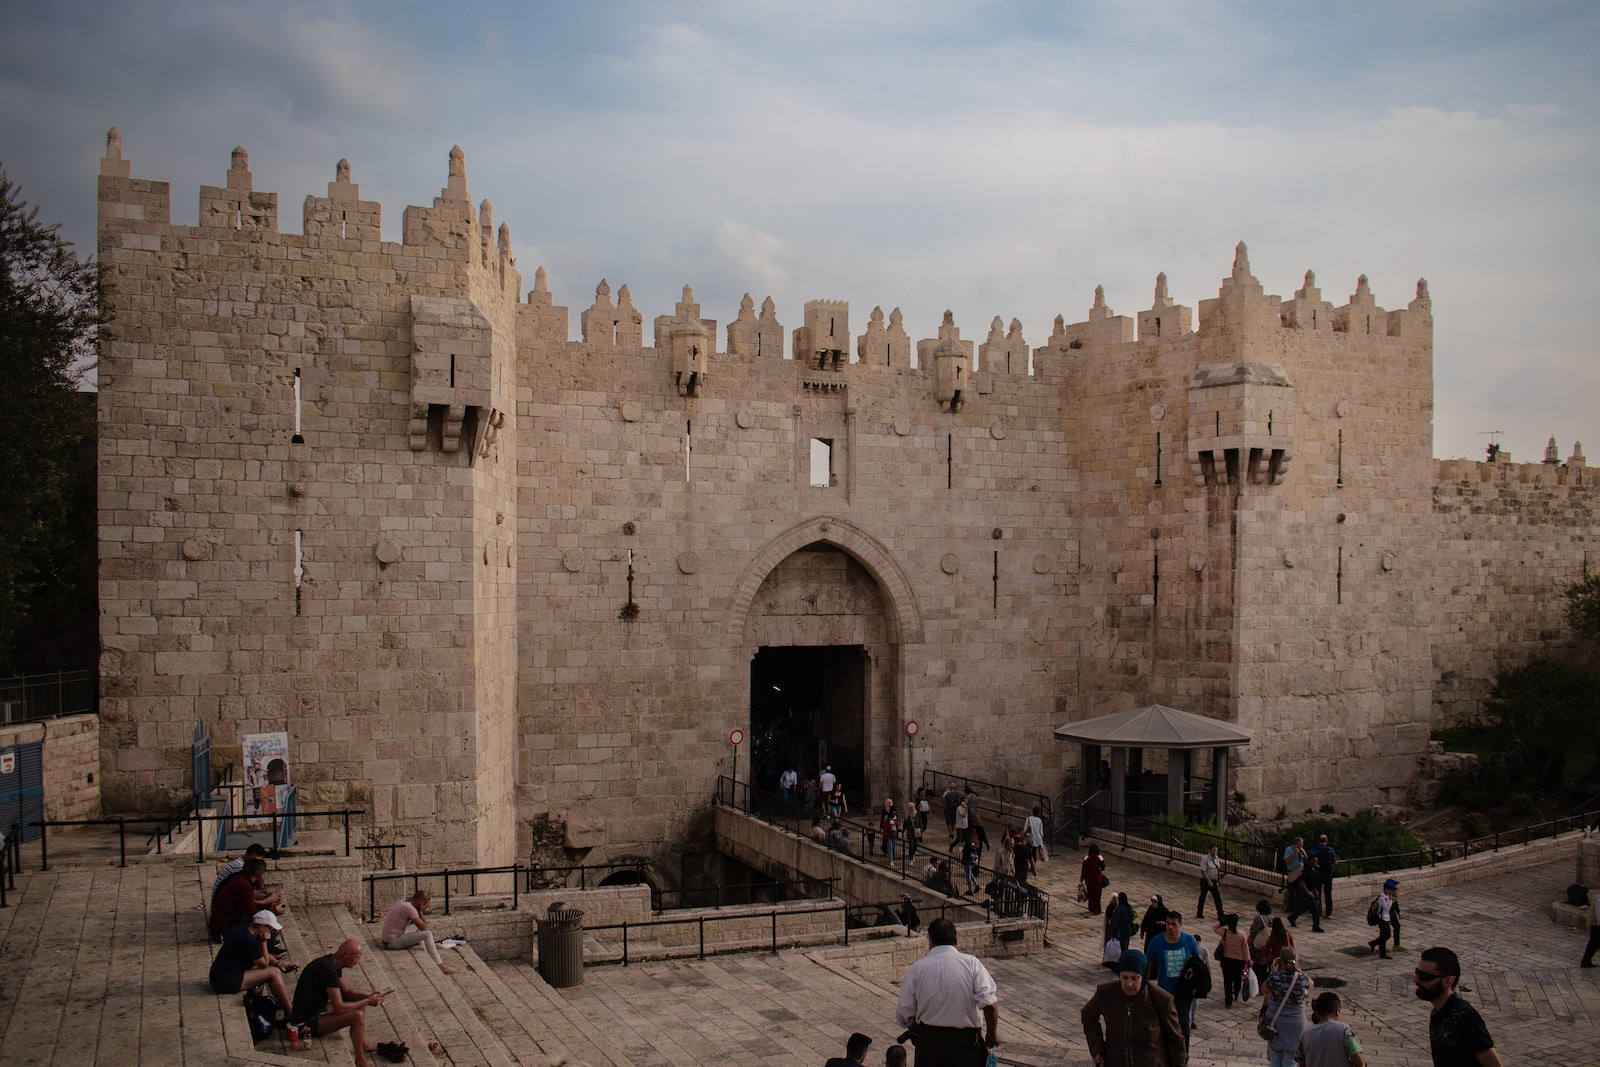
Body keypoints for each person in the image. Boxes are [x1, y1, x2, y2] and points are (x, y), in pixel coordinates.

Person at [894, 918, 999, 1066]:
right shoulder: (972, 964)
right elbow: (989, 1003)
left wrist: (918, 1029)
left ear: (930, 940)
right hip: (966, 1045)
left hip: (930, 1045)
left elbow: (904, 1011)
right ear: (955, 939)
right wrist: (992, 1033)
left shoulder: (918, 968)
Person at [1080, 949, 1187, 1067]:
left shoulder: (1161, 1000)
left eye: (1134, 978)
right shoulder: (1106, 994)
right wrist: (1097, 1048)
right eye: (1124, 978)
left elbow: (1176, 1041)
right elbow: (1087, 1016)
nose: (1129, 984)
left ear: (1143, 976)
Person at [290, 938, 386, 1067]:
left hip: (318, 1009)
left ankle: (362, 1043)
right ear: (346, 955)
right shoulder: (328, 970)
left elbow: (346, 992)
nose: (358, 961)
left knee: (359, 1002)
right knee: (357, 1016)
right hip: (304, 1022)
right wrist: (368, 1001)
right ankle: (360, 1060)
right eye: (356, 957)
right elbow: (339, 1007)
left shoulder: (333, 963)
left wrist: (369, 997)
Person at [1414, 946, 1503, 1067]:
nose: (1415, 980)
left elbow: (1494, 1065)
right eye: (1417, 973)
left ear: (1448, 981)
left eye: (1424, 976)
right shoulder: (1438, 1013)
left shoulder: (1464, 1015)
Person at [209, 909, 292, 1012]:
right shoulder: (248, 940)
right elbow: (264, 965)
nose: (271, 932)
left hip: (221, 976)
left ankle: (282, 1003)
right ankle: (290, 1010)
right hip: (225, 981)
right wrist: (264, 943)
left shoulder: (246, 933)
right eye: (270, 929)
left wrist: (278, 963)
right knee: (273, 973)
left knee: (273, 969)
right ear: (262, 926)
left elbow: (260, 955)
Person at [1146, 912, 1200, 1045]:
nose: (1170, 927)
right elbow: (1149, 965)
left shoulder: (1189, 940)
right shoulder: (1156, 942)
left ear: (1180, 925)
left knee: (1183, 1024)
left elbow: (1198, 961)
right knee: (1163, 1024)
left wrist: (1193, 973)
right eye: (1168, 923)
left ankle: (1183, 1055)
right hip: (1164, 991)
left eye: (1174, 924)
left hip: (1183, 991)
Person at [1261, 946, 1312, 1067]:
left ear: (1281, 962)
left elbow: (1263, 989)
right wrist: (1298, 970)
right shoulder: (1301, 979)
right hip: (1296, 1023)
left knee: (1275, 1060)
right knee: (1291, 1060)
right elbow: (1311, 984)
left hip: (1275, 1022)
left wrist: (1272, 972)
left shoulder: (1275, 978)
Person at [381, 889, 450, 970]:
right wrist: (420, 911)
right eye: (424, 904)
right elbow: (424, 927)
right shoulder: (410, 909)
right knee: (428, 934)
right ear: (421, 903)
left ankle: (421, 943)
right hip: (393, 942)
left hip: (388, 937)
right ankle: (439, 963)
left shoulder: (402, 902)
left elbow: (420, 925)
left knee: (419, 928)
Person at [210, 857, 277, 941]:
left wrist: (268, 903)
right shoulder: (243, 885)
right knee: (267, 924)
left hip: (223, 925)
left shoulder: (241, 879)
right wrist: (273, 909)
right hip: (224, 930)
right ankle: (267, 950)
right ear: (260, 874)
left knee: (267, 922)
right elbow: (252, 914)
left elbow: (248, 904)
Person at [1299, 991, 1365, 1067]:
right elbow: (1359, 1062)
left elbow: (1301, 1064)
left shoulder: (1305, 1034)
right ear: (1338, 1011)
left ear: (1316, 1013)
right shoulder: (1344, 1030)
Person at [1213, 913, 1250, 1008]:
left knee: (1227, 981)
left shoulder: (1224, 932)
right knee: (1237, 979)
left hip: (1227, 960)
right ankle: (1236, 993)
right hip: (1239, 961)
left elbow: (1215, 928)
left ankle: (1228, 1001)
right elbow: (1245, 948)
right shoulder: (1241, 934)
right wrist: (1248, 960)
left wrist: (1222, 924)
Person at [1286, 856, 1324, 932]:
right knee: (1315, 909)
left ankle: (1292, 917)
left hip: (1312, 891)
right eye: (1315, 861)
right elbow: (1301, 883)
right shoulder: (1306, 872)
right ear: (1310, 862)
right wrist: (1307, 892)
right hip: (1307, 892)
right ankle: (1316, 926)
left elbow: (1313, 882)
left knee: (1304, 907)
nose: (1316, 863)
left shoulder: (1314, 870)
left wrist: (1315, 890)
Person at [1368, 879, 1398, 959]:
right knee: (1385, 935)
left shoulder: (1386, 897)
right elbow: (1387, 908)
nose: (1392, 892)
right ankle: (1382, 953)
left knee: (1386, 935)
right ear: (1387, 890)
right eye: (1391, 890)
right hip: (1382, 919)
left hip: (1386, 918)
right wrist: (1390, 900)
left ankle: (1373, 944)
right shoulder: (1382, 898)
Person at [1309, 834, 1339, 916]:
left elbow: (1310, 857)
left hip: (1318, 873)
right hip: (1328, 873)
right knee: (1328, 893)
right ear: (1326, 841)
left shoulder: (1314, 850)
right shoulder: (1330, 850)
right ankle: (1328, 912)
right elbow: (1334, 861)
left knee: (1317, 893)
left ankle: (1318, 911)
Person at [1196, 845, 1223, 920]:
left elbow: (1217, 869)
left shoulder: (1217, 858)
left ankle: (1220, 913)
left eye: (1216, 851)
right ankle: (1199, 913)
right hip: (1206, 881)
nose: (1215, 852)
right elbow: (1203, 871)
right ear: (1210, 851)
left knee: (1217, 898)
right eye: (1213, 851)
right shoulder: (1205, 858)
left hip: (1214, 880)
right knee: (1203, 897)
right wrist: (1209, 881)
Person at [1081, 844, 1107, 916]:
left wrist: (1082, 879)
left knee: (1091, 893)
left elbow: (1084, 870)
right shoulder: (1100, 857)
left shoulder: (1086, 858)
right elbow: (1103, 867)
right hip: (1098, 879)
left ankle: (1091, 908)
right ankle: (1097, 909)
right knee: (1097, 895)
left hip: (1089, 879)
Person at [1108, 892, 1134, 957]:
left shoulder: (1119, 909)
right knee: (1125, 947)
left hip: (1120, 931)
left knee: (1119, 948)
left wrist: (1112, 931)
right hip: (1127, 930)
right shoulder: (1129, 907)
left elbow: (1116, 921)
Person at [1581, 885, 1600, 967]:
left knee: (1593, 944)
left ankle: (1586, 962)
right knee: (1594, 944)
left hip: (1596, 926)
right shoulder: (1599, 900)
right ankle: (1585, 962)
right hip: (1597, 926)